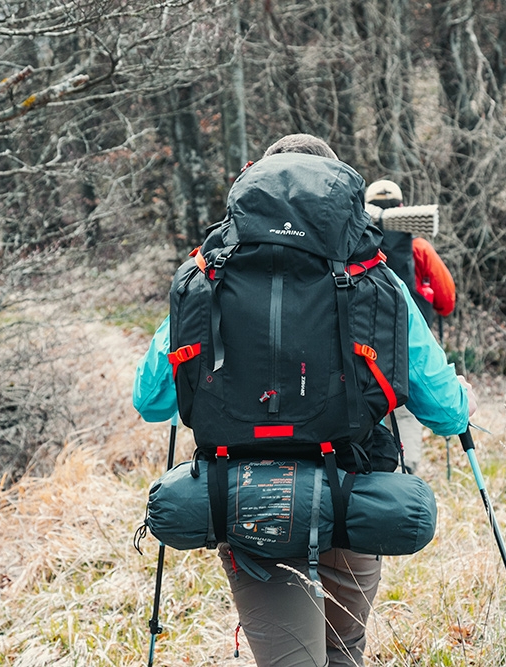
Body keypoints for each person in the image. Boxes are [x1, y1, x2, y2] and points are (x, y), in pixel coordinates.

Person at [133, 134, 476, 667]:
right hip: (353, 491)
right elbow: (447, 411)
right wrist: (463, 398)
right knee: (344, 655)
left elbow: (151, 401)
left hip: (247, 501)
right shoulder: (373, 275)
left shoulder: (209, 275)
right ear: (338, 193)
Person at [365, 179, 457, 475]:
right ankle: (407, 472)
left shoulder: (355, 249)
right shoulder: (419, 248)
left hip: (364, 351)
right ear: (403, 208)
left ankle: (377, 474)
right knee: (404, 413)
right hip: (406, 350)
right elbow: (447, 300)